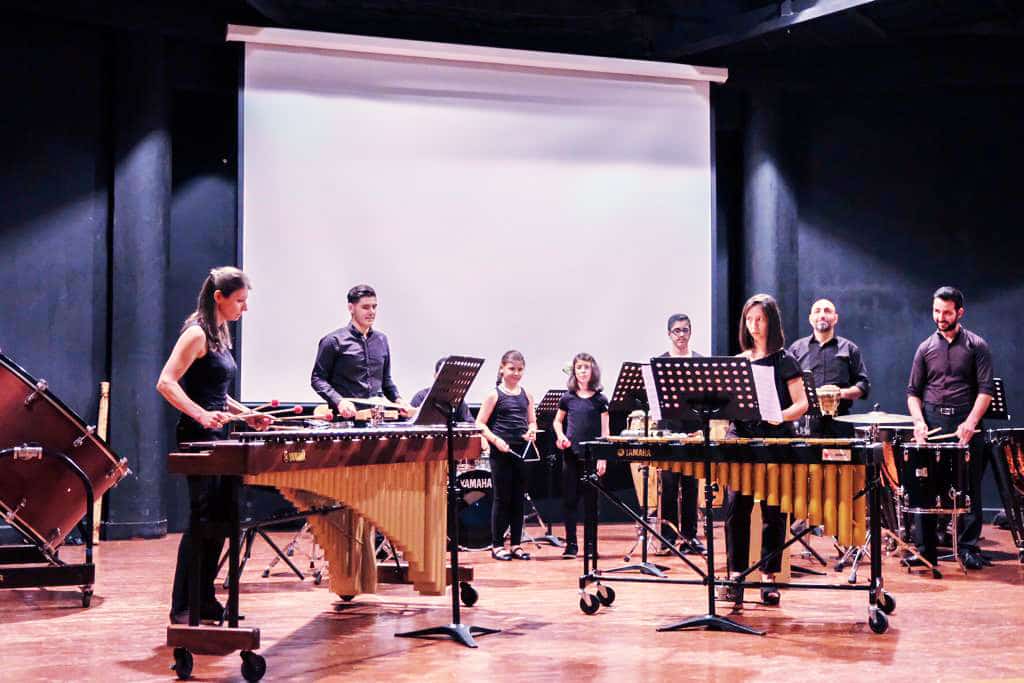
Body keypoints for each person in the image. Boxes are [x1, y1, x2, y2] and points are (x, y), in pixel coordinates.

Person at [156, 267, 270, 625]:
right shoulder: (195, 333)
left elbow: (218, 394)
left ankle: (205, 599)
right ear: (219, 297)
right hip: (197, 437)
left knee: (221, 521)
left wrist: (245, 414)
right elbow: (166, 383)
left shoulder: (220, 332)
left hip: (219, 436)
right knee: (201, 520)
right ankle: (183, 604)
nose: (244, 309)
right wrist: (202, 415)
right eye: (240, 301)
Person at [721, 294, 808, 607]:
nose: (754, 325)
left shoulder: (785, 360)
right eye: (749, 319)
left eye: (759, 319)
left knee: (773, 511)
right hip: (741, 439)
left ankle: (769, 577)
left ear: (771, 322)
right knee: (736, 509)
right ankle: (735, 576)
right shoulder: (739, 361)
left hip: (774, 440)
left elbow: (802, 405)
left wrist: (779, 416)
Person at [907, 286, 994, 570]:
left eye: (946, 312)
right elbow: (913, 392)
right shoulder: (925, 348)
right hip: (932, 422)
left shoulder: (977, 346)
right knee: (926, 487)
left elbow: (985, 390)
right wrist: (919, 422)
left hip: (965, 422)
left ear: (959, 312)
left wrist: (970, 423)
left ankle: (968, 548)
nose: (940, 317)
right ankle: (924, 549)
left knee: (969, 489)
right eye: (936, 311)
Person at [310, 284, 411, 420]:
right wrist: (339, 401)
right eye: (365, 307)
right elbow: (318, 379)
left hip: (377, 418)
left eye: (374, 307)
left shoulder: (381, 340)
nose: (372, 312)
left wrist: (399, 400)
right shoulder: (333, 341)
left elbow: (386, 381)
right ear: (351, 308)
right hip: (346, 420)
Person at [475, 350, 538, 561]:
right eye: (512, 369)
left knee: (518, 500)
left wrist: (531, 431)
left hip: (521, 451)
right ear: (502, 368)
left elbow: (532, 421)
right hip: (501, 451)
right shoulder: (494, 394)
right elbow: (479, 423)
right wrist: (496, 441)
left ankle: (516, 544)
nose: (516, 373)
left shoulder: (526, 395)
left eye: (520, 370)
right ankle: (497, 545)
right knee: (502, 499)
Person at [552, 353, 609, 559]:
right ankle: (571, 545)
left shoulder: (601, 399)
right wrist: (561, 436)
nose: (583, 371)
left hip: (592, 457)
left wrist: (603, 457)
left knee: (592, 503)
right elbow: (557, 422)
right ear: (574, 371)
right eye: (579, 367)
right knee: (569, 500)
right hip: (571, 455)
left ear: (593, 370)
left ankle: (591, 545)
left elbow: (605, 430)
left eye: (586, 367)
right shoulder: (568, 398)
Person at [656, 313, 704, 555]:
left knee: (691, 487)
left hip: (694, 430)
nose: (682, 335)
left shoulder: (699, 360)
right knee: (669, 487)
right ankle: (667, 536)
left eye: (685, 330)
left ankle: (689, 536)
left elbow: (708, 397)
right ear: (669, 334)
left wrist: (702, 427)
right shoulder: (660, 362)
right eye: (677, 331)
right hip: (668, 431)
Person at [787, 298, 871, 436]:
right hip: (806, 423)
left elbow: (863, 385)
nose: (822, 315)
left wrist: (840, 394)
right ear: (810, 318)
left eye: (827, 311)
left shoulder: (850, 348)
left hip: (840, 422)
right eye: (817, 311)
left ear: (835, 318)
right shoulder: (796, 349)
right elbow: (786, 385)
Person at [410, 356, 474, 423]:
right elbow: (410, 426)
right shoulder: (420, 397)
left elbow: (470, 423)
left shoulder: (456, 398)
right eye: (444, 373)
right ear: (435, 376)